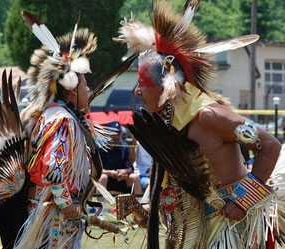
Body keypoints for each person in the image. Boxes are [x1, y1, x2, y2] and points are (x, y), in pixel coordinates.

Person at [114, 1, 283, 248]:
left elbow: (269, 145)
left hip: (231, 229)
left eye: (143, 84)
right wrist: (151, 207)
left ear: (168, 85)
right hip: (193, 229)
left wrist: (243, 200)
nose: (137, 90)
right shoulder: (168, 122)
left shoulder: (209, 116)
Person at [7, 11, 106, 249]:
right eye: (84, 83)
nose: (88, 88)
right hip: (54, 215)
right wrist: (67, 204)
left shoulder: (49, 115)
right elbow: (52, 168)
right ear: (72, 89)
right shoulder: (63, 120)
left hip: (42, 209)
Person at [99, 121, 142, 195]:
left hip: (121, 180)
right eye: (113, 134)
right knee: (103, 177)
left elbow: (130, 168)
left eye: (118, 134)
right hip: (107, 180)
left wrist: (125, 172)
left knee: (134, 177)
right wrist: (112, 173)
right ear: (107, 134)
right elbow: (96, 170)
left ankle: (141, 203)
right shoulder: (100, 147)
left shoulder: (124, 146)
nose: (116, 137)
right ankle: (101, 205)